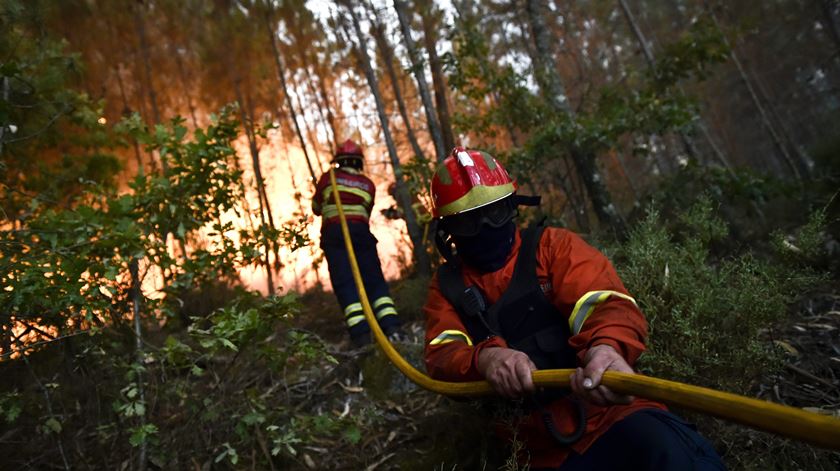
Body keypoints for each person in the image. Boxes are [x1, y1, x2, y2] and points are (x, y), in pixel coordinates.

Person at [423, 147, 725, 470]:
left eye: (495, 212)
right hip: (536, 451)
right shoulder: (447, 288)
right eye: (469, 221)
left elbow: (607, 304)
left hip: (612, 415)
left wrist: (607, 348)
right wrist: (485, 358)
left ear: (513, 207)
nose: (485, 227)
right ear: (448, 232)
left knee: (676, 457)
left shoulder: (553, 248)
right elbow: (441, 354)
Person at [313, 139, 402, 347]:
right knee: (374, 280)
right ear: (359, 162)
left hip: (335, 235)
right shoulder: (368, 184)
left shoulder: (328, 178)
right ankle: (392, 328)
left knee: (346, 283)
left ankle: (362, 337)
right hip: (361, 233)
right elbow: (365, 212)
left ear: (338, 160)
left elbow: (316, 208)